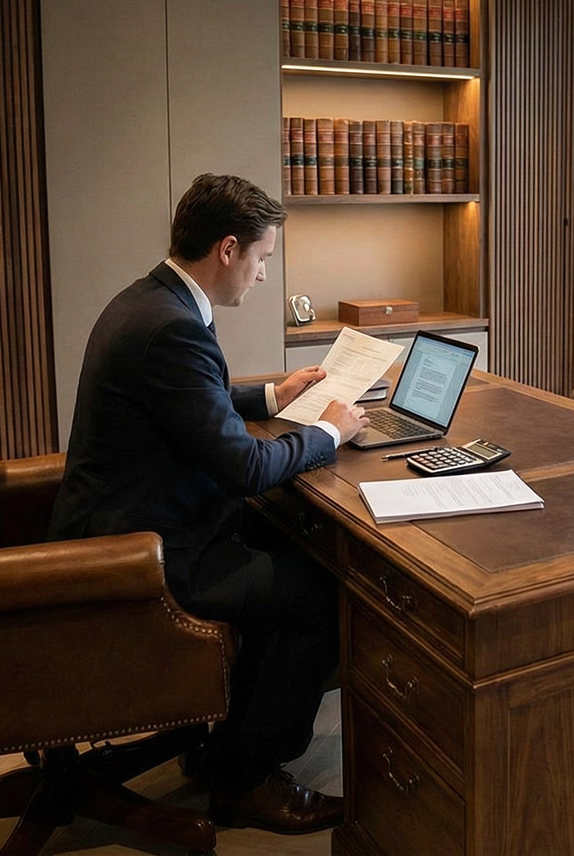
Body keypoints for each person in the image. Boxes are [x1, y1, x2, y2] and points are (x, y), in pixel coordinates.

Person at [49, 173, 367, 834]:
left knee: (290, 546)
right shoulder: (173, 328)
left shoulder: (149, 300)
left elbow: (191, 403)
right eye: (262, 257)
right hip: (146, 553)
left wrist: (274, 396)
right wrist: (329, 432)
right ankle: (245, 777)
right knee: (316, 596)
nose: (263, 273)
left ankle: (229, 737)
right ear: (228, 249)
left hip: (130, 522)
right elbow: (246, 467)